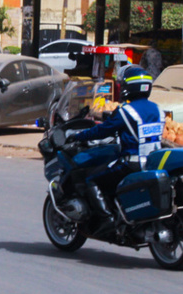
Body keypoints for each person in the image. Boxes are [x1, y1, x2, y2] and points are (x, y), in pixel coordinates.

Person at [71, 65, 165, 235]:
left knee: (92, 180)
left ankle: (106, 219)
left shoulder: (126, 111)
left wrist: (78, 136)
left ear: (129, 87)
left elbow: (102, 130)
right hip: (154, 163)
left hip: (132, 164)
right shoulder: (159, 110)